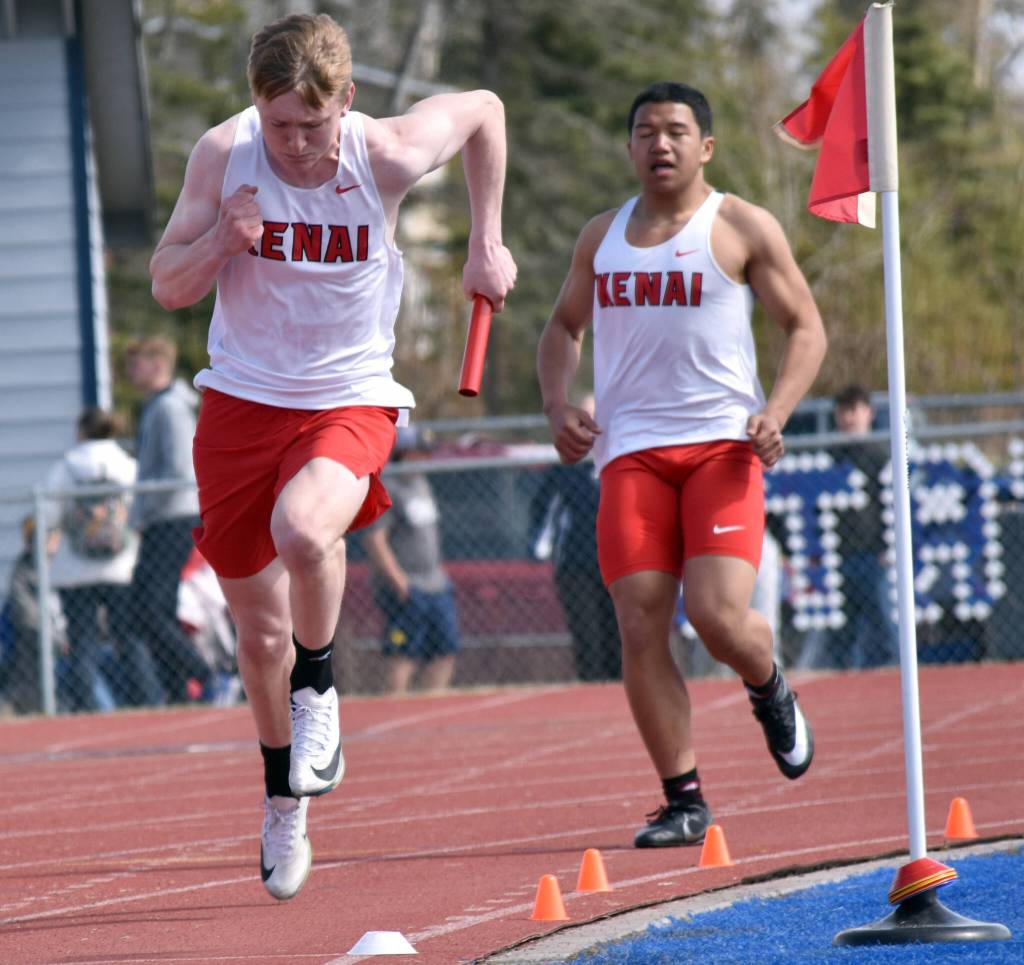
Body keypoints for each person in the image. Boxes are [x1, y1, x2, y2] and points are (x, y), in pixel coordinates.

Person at [149, 12, 516, 901]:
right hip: (240, 402)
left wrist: (484, 237)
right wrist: (221, 241)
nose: (298, 143)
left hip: (348, 393)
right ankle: (283, 797)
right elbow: (167, 284)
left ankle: (322, 693)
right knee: (258, 632)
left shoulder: (381, 152)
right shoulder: (222, 156)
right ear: (255, 107)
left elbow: (485, 109)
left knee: (306, 531)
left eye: (313, 124)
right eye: (281, 126)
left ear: (344, 103)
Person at [536, 82, 826, 849]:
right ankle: (684, 797)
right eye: (644, 132)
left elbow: (805, 329)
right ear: (630, 148)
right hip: (631, 452)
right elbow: (563, 328)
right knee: (638, 619)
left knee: (718, 615)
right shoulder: (602, 236)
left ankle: (767, 684)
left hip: (722, 447)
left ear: (706, 147)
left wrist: (778, 412)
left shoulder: (737, 225)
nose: (659, 144)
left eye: (675, 131)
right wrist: (558, 405)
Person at [43, 407, 155, 711]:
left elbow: (51, 514)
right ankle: (148, 701)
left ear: (81, 432)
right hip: (121, 566)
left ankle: (92, 707)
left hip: (74, 568)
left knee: (82, 641)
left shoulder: (66, 467)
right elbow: (140, 508)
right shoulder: (128, 465)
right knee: (129, 637)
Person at [124, 334, 212, 704]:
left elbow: (179, 468)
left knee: (147, 608)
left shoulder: (170, 409)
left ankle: (209, 676)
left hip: (172, 516)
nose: (130, 371)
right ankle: (177, 691)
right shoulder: (155, 406)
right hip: (161, 518)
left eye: (137, 362)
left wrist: (143, 506)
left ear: (158, 363)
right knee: (153, 608)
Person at [529, 394, 622, 681]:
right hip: (576, 565)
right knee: (588, 638)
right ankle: (593, 694)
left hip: (620, 564)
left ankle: (623, 697)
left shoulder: (620, 463)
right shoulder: (566, 469)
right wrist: (539, 548)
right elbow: (544, 511)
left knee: (619, 638)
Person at [362, 426, 460, 694]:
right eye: (419, 452)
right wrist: (399, 582)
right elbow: (375, 541)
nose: (425, 459)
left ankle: (432, 704)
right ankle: (395, 707)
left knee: (445, 650)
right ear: (402, 453)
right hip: (407, 586)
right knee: (404, 654)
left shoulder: (422, 484)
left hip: (435, 583)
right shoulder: (387, 488)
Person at [828, 384, 897, 668]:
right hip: (838, 556)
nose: (849, 417)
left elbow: (890, 504)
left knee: (883, 621)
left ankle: (893, 671)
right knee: (842, 631)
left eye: (854, 410)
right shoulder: (830, 457)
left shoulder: (880, 456)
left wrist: (886, 545)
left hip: (872, 554)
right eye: (844, 410)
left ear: (869, 413)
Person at [1, 516, 67, 714]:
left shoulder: (70, 568)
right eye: (34, 539)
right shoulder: (22, 573)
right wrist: (57, 640)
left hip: (72, 636)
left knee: (87, 655)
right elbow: (28, 617)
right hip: (41, 639)